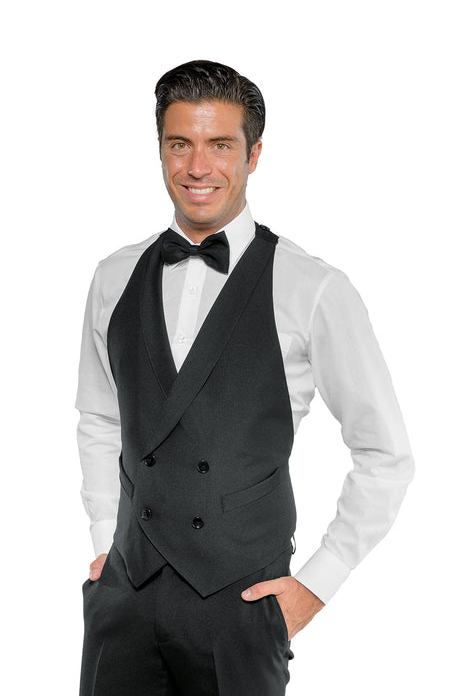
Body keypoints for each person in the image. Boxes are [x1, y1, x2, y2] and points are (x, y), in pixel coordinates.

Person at [76, 60, 415, 695]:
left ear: (254, 154)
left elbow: (385, 454)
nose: (198, 167)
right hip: (123, 600)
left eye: (220, 145)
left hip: (241, 608)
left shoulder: (313, 288)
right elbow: (98, 416)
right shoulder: (112, 275)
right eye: (180, 144)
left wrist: (315, 585)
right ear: (160, 150)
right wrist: (103, 539)